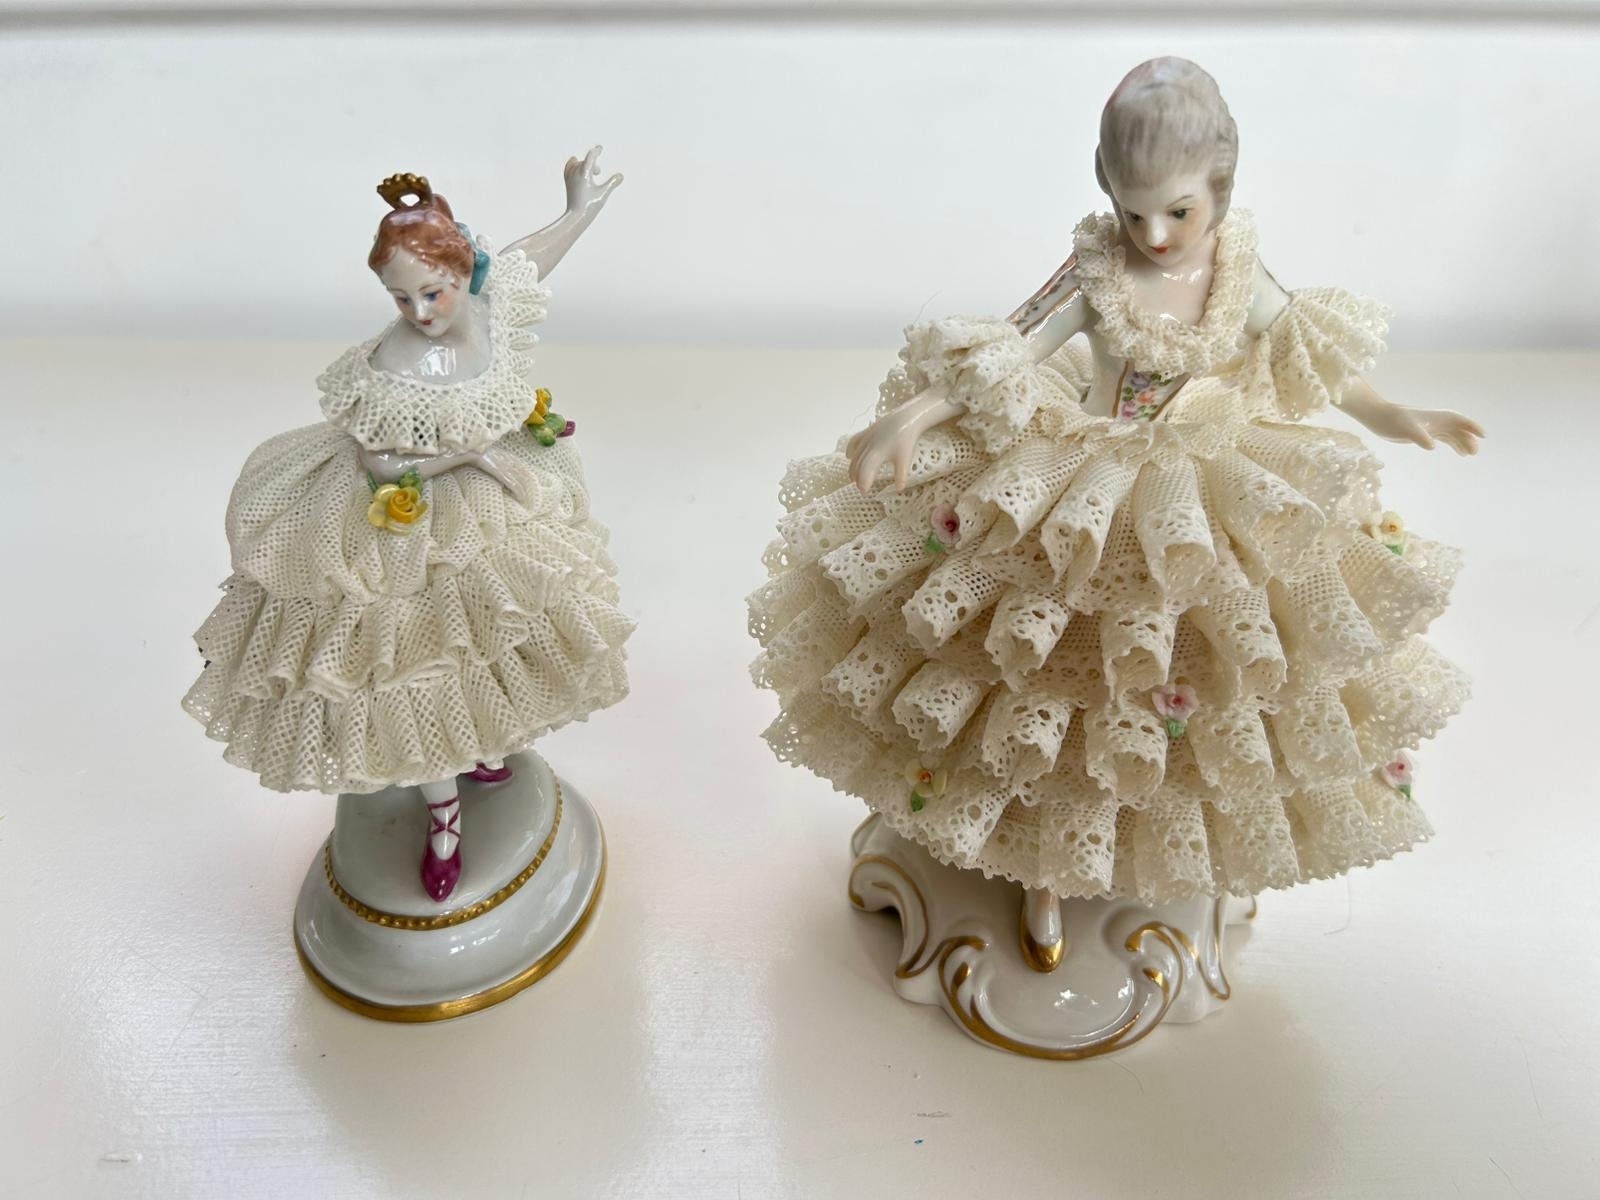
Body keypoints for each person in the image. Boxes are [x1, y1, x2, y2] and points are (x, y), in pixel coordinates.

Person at [749, 59, 1480, 970]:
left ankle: (1120, 855)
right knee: (1043, 685)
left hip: (1193, 481)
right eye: (1135, 214)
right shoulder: (1097, 271)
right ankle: (1037, 869)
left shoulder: (1236, 271)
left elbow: (1308, 352)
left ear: (1220, 187)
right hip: (1076, 476)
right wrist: (914, 415)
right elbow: (1015, 346)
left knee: (1169, 680)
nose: (1156, 235)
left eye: (1178, 211)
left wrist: (1396, 414)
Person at [186, 152, 633, 902]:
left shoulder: (484, 304)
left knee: (496, 631)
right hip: (402, 522)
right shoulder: (397, 360)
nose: (421, 313)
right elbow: (381, 462)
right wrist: (470, 455)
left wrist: (578, 208)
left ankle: (484, 744)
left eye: (433, 292)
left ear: (462, 274)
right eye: (401, 298)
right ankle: (444, 812)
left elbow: (528, 260)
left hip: (481, 511)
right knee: (409, 669)